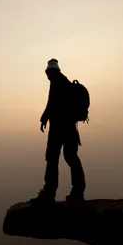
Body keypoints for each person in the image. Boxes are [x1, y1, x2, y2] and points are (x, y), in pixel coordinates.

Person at [30, 58, 86, 205]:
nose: (48, 76)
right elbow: (52, 103)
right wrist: (44, 118)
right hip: (70, 129)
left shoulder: (56, 83)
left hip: (59, 129)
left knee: (52, 158)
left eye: (48, 73)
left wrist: (44, 119)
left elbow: (52, 103)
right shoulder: (65, 82)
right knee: (71, 157)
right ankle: (78, 192)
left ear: (51, 72)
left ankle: (49, 193)